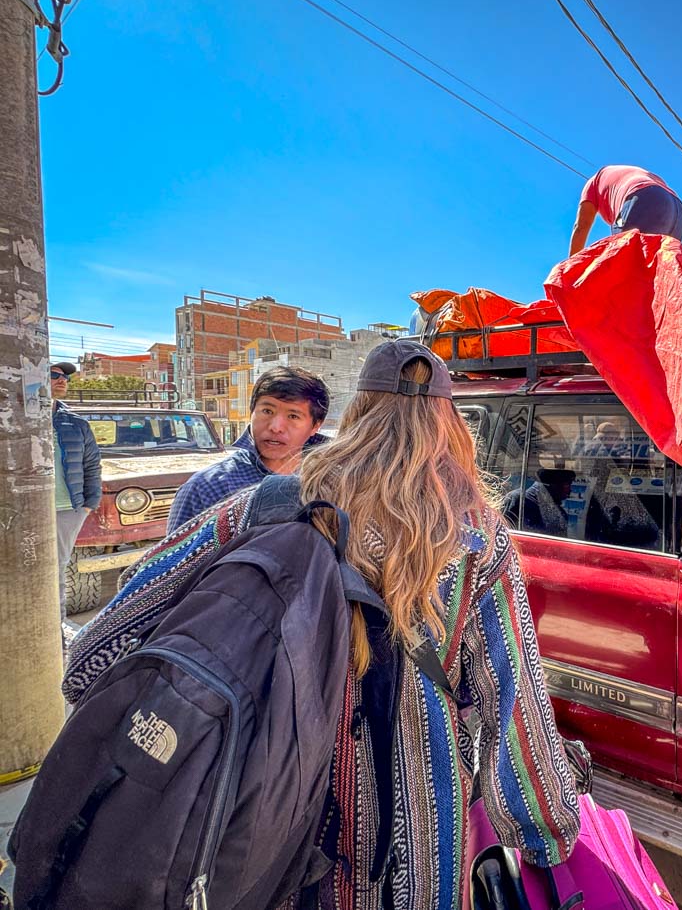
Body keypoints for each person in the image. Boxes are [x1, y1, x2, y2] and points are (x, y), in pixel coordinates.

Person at [65, 340, 581, 908]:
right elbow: (514, 700)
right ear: (447, 422)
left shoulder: (267, 503)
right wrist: (544, 830)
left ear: (355, 411)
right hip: (420, 826)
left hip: (270, 812)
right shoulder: (476, 536)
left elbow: (101, 643)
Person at [167, 366, 329, 529]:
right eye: (267, 411)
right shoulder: (206, 488)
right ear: (251, 412)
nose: (276, 427)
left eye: (293, 416)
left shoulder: (330, 481)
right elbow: (175, 553)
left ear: (316, 425)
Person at [49, 362, 100, 620]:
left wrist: (88, 504)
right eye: (54, 374)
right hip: (21, 509)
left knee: (55, 569)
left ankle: (56, 630)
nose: (63, 380)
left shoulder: (76, 423)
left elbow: (92, 464)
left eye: (65, 377)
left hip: (66, 509)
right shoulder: (13, 417)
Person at [569, 164, 682, 256]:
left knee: (619, 257)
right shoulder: (617, 175)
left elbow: (581, 226)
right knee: (660, 274)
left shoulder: (593, 183)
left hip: (643, 197)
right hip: (677, 212)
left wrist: (570, 274)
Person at [504, 467, 577, 536]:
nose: (570, 490)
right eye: (567, 485)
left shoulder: (560, 514)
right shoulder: (518, 499)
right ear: (553, 485)